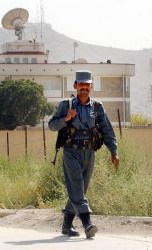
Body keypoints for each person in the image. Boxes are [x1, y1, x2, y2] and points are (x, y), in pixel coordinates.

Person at [48, 70, 119, 238]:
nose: (84, 88)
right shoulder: (66, 105)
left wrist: (114, 151)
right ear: (75, 86)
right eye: (81, 85)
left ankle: (66, 225)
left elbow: (107, 130)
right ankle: (88, 224)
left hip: (89, 152)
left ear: (91, 87)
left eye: (87, 85)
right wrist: (65, 118)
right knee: (77, 187)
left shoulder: (97, 107)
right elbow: (51, 125)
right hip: (71, 152)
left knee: (80, 189)